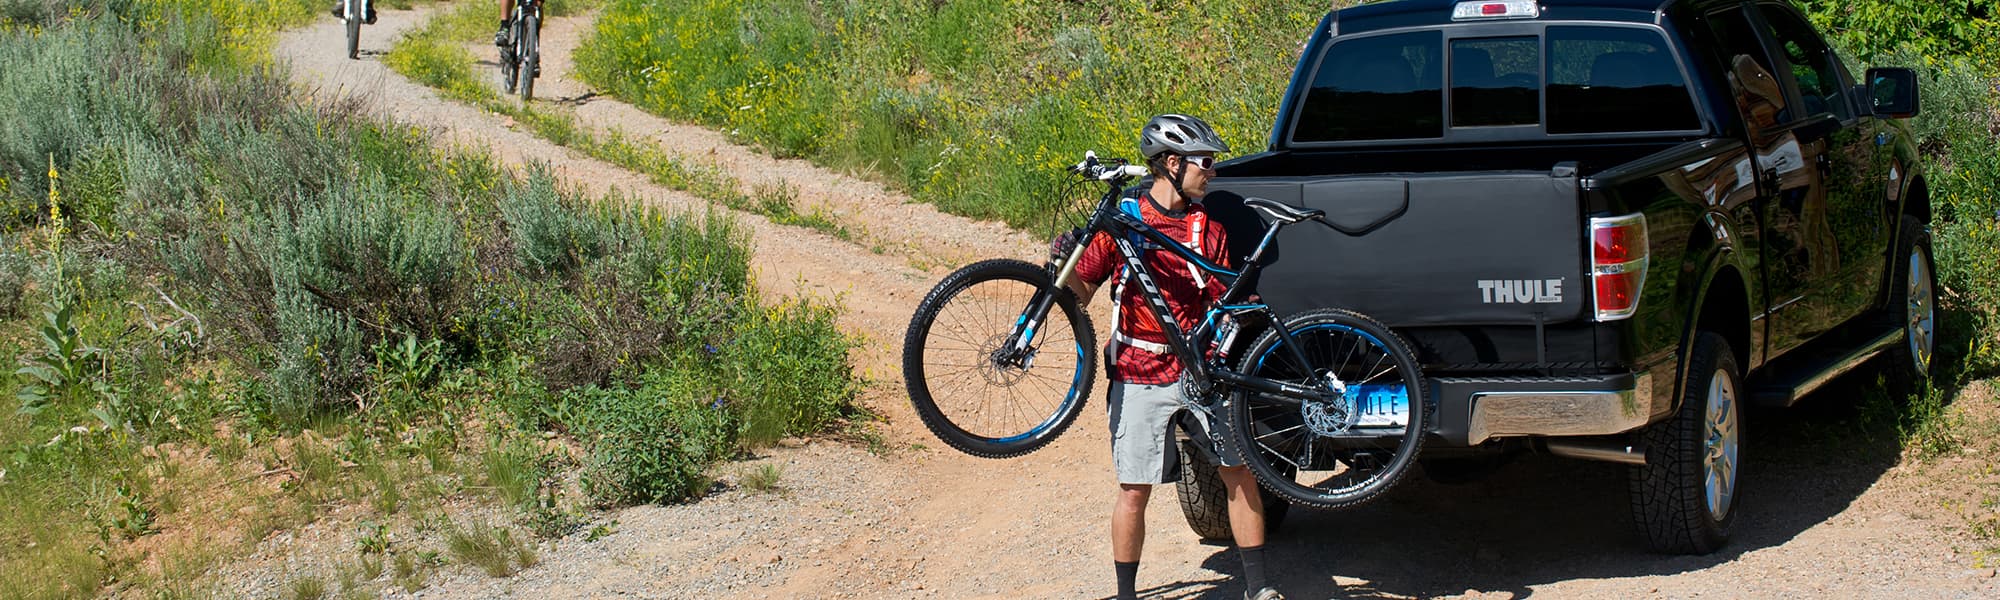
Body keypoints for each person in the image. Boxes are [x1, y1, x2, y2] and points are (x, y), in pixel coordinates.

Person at [1062, 114, 1283, 600]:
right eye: (1206, 162)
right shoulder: (1125, 222)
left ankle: (1260, 588)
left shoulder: (1209, 229)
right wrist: (1063, 262)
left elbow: (1222, 302)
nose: (1213, 171)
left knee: (1238, 474)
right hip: (1139, 370)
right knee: (1134, 490)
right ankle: (1126, 595)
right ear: (1172, 163)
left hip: (1200, 370)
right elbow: (1079, 291)